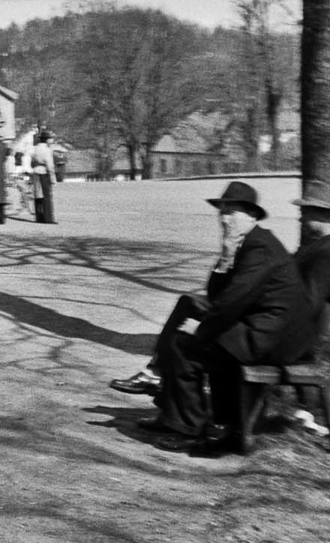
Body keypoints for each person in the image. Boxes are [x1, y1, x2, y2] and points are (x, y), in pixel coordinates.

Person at [111, 181, 316, 453]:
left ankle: (188, 427)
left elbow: (231, 302)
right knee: (186, 323)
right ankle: (171, 414)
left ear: (252, 216)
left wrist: (202, 330)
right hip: (263, 328)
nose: (224, 217)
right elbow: (219, 294)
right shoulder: (247, 244)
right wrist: (225, 258)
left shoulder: (260, 249)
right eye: (221, 211)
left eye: (232, 212)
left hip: (273, 338)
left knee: (186, 347)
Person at [30, 130, 57, 223]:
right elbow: (50, 165)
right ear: (47, 140)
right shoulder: (47, 150)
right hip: (44, 172)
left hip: (35, 171)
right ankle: (48, 218)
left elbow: (31, 161)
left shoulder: (34, 148)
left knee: (37, 195)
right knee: (47, 196)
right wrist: (53, 178)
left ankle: (39, 217)